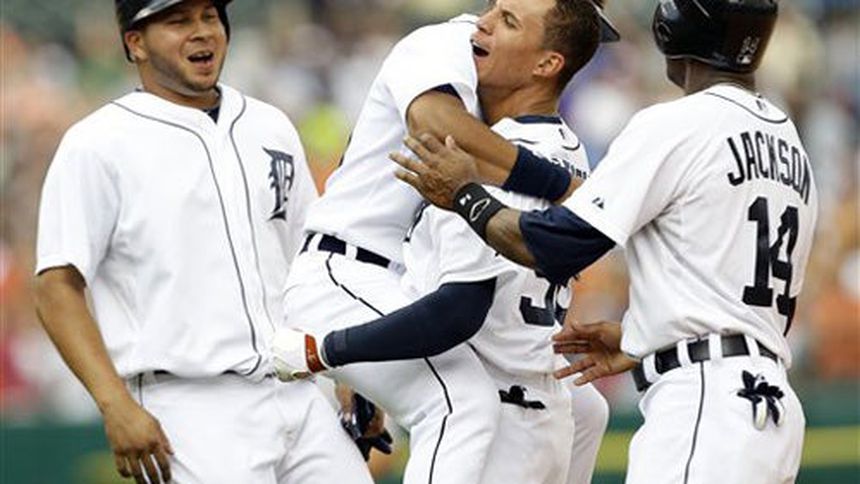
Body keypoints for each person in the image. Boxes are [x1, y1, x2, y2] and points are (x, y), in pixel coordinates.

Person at [390, 0, 817, 483]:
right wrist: (643, 338)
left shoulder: (680, 123)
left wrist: (466, 195)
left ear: (672, 29)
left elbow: (553, 248)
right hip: (770, 408)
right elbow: (726, 278)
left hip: (705, 402)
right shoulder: (789, 143)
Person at [272, 1, 617, 483]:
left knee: (557, 406)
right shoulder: (451, 44)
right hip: (349, 264)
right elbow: (436, 128)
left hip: (414, 298)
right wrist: (568, 189)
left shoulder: (506, 139)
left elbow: (459, 305)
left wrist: (341, 359)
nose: (489, 22)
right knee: (482, 403)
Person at [32, 1, 373, 483]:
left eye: (209, 16)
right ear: (135, 43)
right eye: (178, 21)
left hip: (299, 390)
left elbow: (314, 261)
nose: (201, 32)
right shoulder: (97, 143)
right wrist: (113, 403)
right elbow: (56, 288)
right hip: (190, 407)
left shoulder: (269, 124)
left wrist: (351, 370)